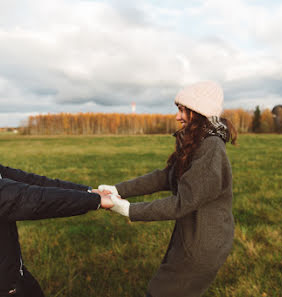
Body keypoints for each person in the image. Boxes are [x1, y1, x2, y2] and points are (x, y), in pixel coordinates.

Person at [0, 70, 114, 297]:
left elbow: (21, 179)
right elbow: (17, 199)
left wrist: (86, 191)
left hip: (4, 278)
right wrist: (94, 201)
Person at [99, 81, 237, 297]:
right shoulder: (199, 141)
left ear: (199, 112)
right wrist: (118, 189)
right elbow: (166, 177)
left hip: (202, 248)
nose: (177, 117)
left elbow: (183, 202)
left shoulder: (210, 147)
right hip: (191, 238)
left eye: (183, 110)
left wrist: (128, 210)